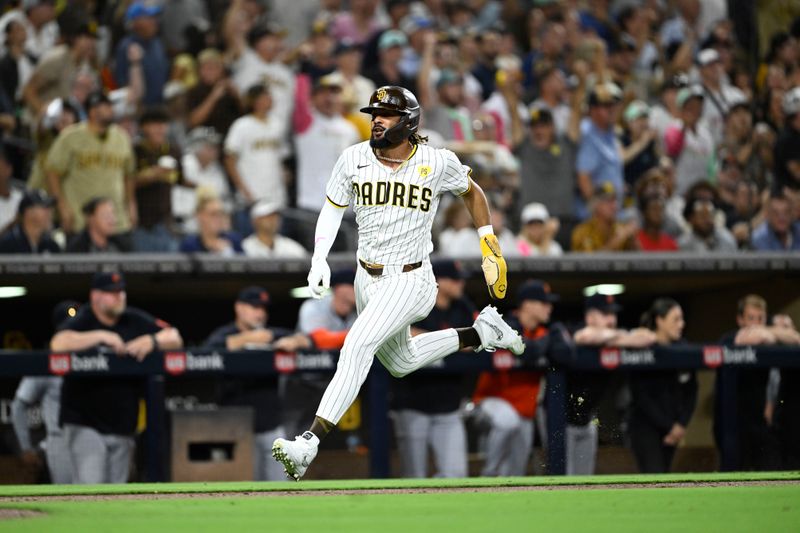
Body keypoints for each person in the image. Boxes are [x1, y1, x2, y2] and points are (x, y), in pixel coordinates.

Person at [271, 85, 525, 481]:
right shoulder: (353, 157)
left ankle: (309, 442)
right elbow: (332, 209)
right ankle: (480, 333)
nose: (376, 120)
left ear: (407, 122)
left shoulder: (436, 162)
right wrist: (319, 257)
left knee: (357, 344)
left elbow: (472, 192)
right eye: (373, 113)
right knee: (400, 361)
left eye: (385, 115)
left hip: (412, 276)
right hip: (366, 277)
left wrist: (488, 241)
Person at [50, 272, 183, 483]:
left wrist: (153, 341)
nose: (119, 296)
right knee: (91, 492)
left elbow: (175, 337)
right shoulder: (84, 317)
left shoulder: (132, 318)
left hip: (122, 424)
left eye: (121, 291)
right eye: (112, 293)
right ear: (95, 296)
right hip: (85, 422)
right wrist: (103, 336)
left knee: (116, 494)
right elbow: (58, 343)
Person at [204, 286, 311, 481]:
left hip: (271, 425)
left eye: (263, 308)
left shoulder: (271, 334)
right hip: (235, 427)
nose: (260, 313)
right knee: (238, 487)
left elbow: (307, 339)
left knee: (280, 488)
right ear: (239, 308)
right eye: (254, 307)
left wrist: (295, 342)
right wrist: (248, 339)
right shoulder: (225, 334)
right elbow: (205, 353)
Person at [392, 259, 474, 478]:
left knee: (455, 475)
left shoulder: (462, 305)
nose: (460, 285)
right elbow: (402, 334)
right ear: (439, 281)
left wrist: (431, 341)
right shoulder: (415, 302)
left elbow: (475, 338)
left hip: (449, 405)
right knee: (414, 476)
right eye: (455, 280)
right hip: (411, 402)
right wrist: (451, 341)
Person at [472, 280, 560, 476]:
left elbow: (565, 354)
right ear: (527, 304)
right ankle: (488, 473)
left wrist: (548, 340)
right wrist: (547, 342)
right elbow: (528, 351)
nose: (549, 307)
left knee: (515, 472)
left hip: (525, 413)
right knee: (506, 420)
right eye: (543, 303)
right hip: (488, 404)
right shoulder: (504, 325)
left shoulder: (542, 331)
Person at [567, 293, 656, 475]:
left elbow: (648, 337)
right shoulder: (575, 329)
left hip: (587, 418)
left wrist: (618, 337)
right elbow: (586, 337)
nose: (611, 319)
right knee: (562, 476)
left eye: (613, 314)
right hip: (559, 417)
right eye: (605, 314)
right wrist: (624, 337)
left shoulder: (613, 338)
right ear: (590, 317)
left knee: (583, 478)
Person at [715, 295, 800, 471]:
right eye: (750, 318)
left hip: (760, 423)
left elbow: (795, 339)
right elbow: (748, 338)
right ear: (740, 320)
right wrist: (770, 330)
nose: (755, 323)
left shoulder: (770, 340)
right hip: (732, 425)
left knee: (772, 467)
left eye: (760, 318)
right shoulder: (729, 340)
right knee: (733, 473)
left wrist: (774, 331)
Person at [45, 91, 135, 236]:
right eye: (105, 107)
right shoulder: (70, 136)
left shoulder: (122, 137)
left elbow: (128, 174)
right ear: (93, 111)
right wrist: (62, 207)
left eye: (109, 106)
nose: (110, 110)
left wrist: (131, 204)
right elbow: (52, 172)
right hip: (81, 220)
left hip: (117, 220)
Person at [10, 299, 79, 484]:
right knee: (68, 498)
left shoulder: (94, 358)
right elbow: (19, 405)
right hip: (60, 439)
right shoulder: (47, 362)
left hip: (92, 436)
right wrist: (26, 447)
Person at [629, 298, 697, 474]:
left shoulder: (684, 349)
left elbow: (692, 391)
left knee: (665, 476)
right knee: (654, 476)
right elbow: (640, 396)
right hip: (646, 426)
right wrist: (669, 427)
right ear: (659, 320)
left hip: (673, 428)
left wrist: (681, 425)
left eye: (682, 319)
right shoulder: (643, 347)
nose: (681, 324)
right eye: (676, 319)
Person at [132, 107, 183, 252]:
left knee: (170, 270)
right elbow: (126, 183)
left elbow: (180, 180)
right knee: (143, 269)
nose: (160, 129)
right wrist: (152, 174)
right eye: (154, 124)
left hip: (166, 222)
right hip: (142, 223)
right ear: (144, 127)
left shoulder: (173, 151)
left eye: (163, 124)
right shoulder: (135, 151)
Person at [576, 82, 624, 220]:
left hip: (611, 212)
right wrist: (598, 212)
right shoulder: (588, 133)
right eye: (606, 106)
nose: (612, 110)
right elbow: (584, 178)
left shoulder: (609, 132)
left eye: (614, 105)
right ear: (593, 109)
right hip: (596, 216)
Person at [114, 2, 169, 105]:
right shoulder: (126, 46)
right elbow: (122, 82)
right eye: (149, 18)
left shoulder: (157, 42)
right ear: (136, 22)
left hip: (159, 103)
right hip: (139, 108)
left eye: (154, 17)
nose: (155, 21)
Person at [571, 182, 639, 252]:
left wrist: (633, 240)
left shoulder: (621, 228)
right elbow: (589, 262)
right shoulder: (582, 232)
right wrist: (617, 240)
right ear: (595, 205)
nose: (615, 206)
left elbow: (638, 259)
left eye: (615, 201)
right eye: (609, 201)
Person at [179, 190, 243, 255]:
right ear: (199, 216)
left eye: (221, 213)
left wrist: (228, 252)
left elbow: (245, 263)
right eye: (213, 214)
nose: (219, 218)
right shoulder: (190, 245)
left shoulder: (234, 240)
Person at [0, 189, 60, 254]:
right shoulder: (8, 245)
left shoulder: (52, 246)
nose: (50, 212)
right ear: (28, 213)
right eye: (45, 207)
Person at [242, 200, 308, 259]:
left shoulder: (291, 246)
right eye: (268, 217)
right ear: (256, 221)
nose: (273, 220)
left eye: (276, 216)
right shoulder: (245, 247)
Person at [66, 197, 130, 253]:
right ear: (91, 218)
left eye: (112, 214)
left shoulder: (122, 244)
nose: (112, 220)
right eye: (106, 215)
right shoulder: (77, 247)